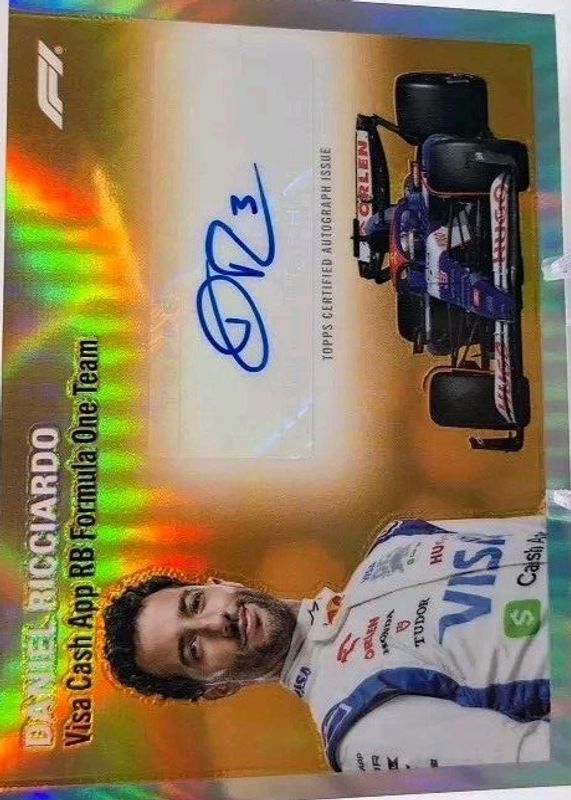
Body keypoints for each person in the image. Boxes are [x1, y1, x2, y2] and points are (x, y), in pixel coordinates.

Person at [101, 515, 550, 772]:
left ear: (220, 583)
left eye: (196, 603)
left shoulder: (397, 540)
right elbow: (537, 764)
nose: (217, 622)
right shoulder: (357, 726)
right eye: (193, 649)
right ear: (217, 689)